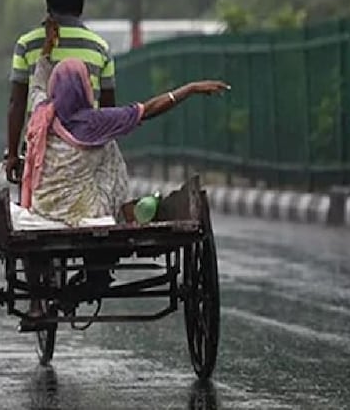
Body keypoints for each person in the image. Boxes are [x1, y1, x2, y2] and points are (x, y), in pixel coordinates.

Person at [19, 41, 229, 321]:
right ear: (85, 88)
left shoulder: (40, 112)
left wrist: (46, 53)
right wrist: (189, 89)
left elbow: (35, 85)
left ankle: (40, 299)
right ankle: (122, 213)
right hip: (87, 211)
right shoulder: (97, 122)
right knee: (109, 147)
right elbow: (151, 108)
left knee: (104, 147)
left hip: (45, 208)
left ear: (54, 91)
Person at [6, 0, 115, 185]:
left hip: (39, 154)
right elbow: (108, 109)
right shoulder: (100, 48)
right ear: (81, 5)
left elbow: (16, 104)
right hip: (85, 152)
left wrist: (12, 154)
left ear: (48, 3)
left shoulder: (27, 45)